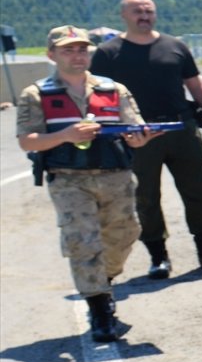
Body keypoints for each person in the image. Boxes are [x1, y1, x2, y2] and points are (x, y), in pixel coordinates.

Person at [18, 25, 162, 341]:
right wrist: (65, 135)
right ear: (52, 55)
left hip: (116, 176)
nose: (77, 55)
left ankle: (101, 281)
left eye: (82, 49)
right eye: (68, 50)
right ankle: (100, 312)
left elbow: (134, 129)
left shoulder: (114, 89)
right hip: (69, 179)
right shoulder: (36, 94)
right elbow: (27, 141)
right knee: (83, 241)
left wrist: (140, 137)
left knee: (125, 234)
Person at [90, 0, 202, 279]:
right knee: (145, 197)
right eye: (137, 11)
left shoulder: (175, 46)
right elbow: (98, 97)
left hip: (182, 129)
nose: (144, 16)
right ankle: (159, 258)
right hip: (137, 134)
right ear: (124, 16)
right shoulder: (108, 53)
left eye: (149, 11)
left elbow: (196, 86)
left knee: (199, 191)